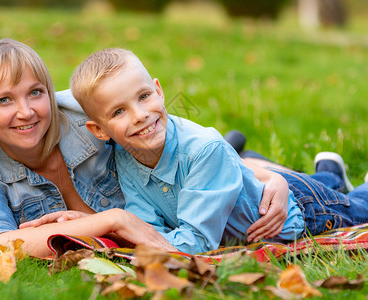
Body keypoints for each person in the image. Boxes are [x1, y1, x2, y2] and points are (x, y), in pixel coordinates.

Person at [0, 39, 289, 257]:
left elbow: (182, 140)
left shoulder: (82, 110)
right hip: (168, 207)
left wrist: (270, 178)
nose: (26, 111)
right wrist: (111, 220)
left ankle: (263, 162)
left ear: (48, 91)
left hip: (195, 180)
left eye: (36, 92)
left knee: (254, 168)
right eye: (3, 100)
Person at [66, 47, 368, 254]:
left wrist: (147, 240)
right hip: (254, 192)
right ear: (99, 130)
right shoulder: (124, 157)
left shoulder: (203, 150)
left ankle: (343, 183)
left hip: (301, 213)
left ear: (159, 90)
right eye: (118, 112)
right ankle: (330, 174)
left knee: (358, 208)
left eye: (144, 96)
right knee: (329, 189)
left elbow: (196, 242)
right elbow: (148, 227)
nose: (140, 115)